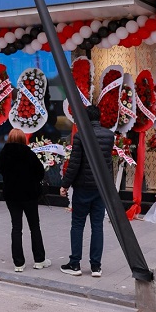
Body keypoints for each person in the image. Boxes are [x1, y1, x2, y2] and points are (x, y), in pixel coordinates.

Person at [59, 104, 114, 278]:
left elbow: (75, 163)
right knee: (97, 226)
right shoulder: (109, 135)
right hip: (101, 188)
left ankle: (75, 264)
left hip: (83, 187)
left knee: (77, 225)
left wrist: (65, 184)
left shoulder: (81, 135)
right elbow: (109, 164)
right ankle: (96, 266)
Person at [0, 128, 51, 272]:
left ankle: (18, 263)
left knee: (16, 228)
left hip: (11, 196)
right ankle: (39, 260)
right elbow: (40, 173)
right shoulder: (29, 154)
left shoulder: (3, 154)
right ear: (23, 139)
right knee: (34, 227)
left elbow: (0, 170)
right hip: (29, 195)